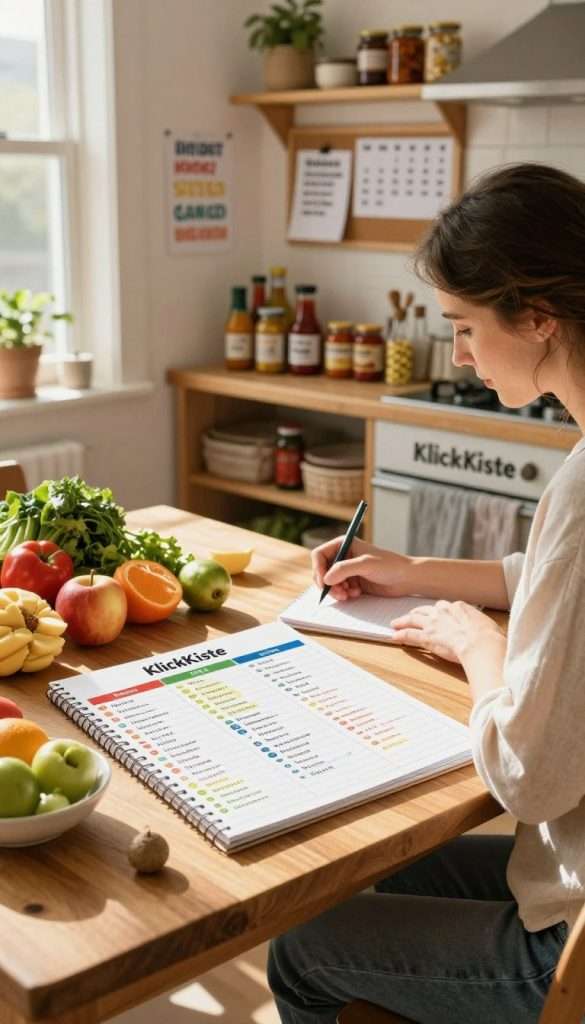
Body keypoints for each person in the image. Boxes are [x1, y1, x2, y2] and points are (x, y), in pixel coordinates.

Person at [267, 163, 585, 1024]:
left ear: (537, 318)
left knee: (299, 949)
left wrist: (479, 647)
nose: (460, 355)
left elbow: (527, 777)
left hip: (568, 943)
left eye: (464, 326)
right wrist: (411, 572)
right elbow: (555, 591)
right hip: (562, 875)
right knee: (378, 872)